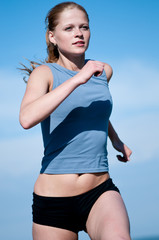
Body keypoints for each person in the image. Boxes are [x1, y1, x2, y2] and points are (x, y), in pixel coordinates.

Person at [19, 2, 132, 240]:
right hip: (53, 200)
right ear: (52, 36)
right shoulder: (45, 73)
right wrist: (78, 78)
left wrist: (116, 140)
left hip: (99, 190)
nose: (79, 33)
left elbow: (91, 109)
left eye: (84, 27)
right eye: (69, 28)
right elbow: (27, 119)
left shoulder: (103, 71)